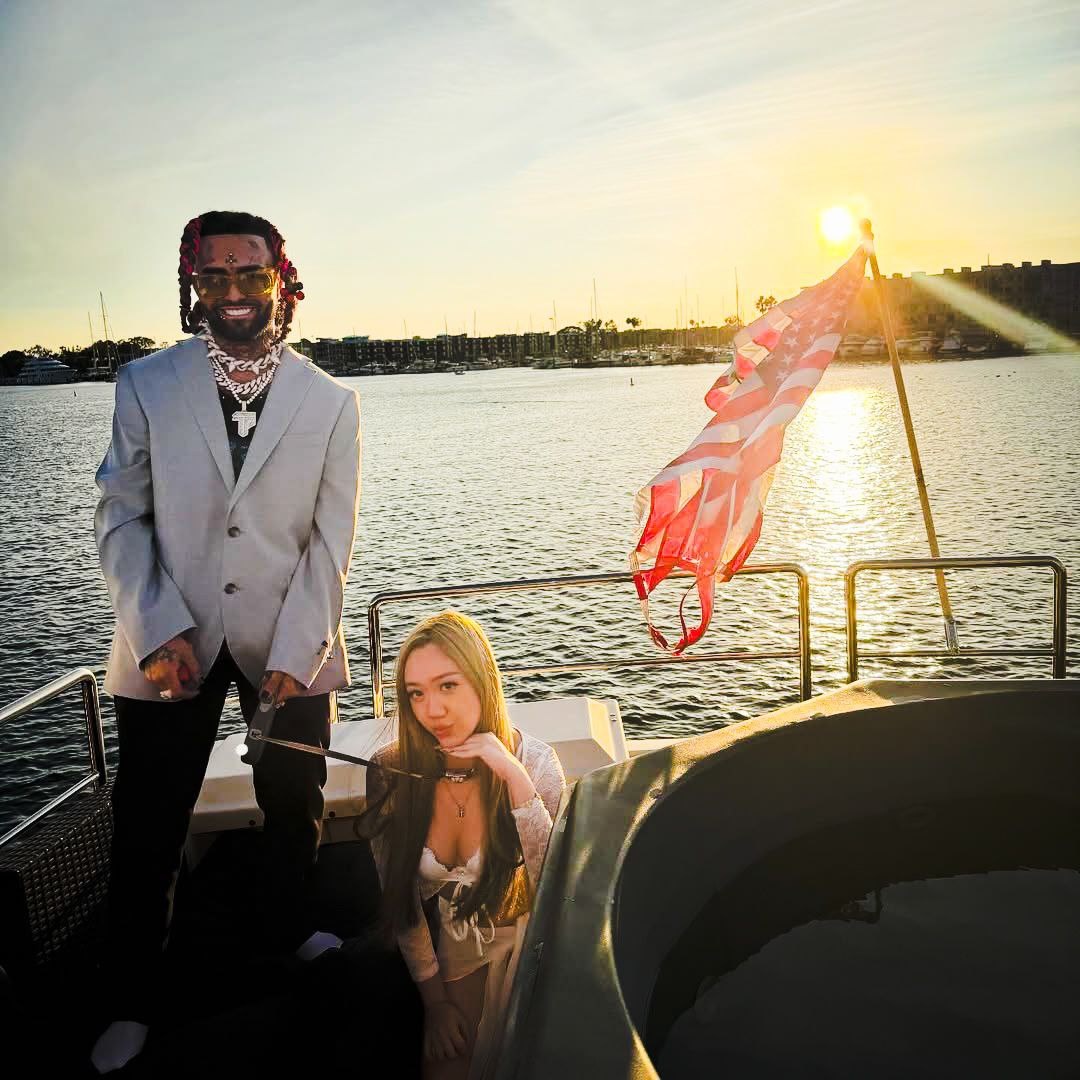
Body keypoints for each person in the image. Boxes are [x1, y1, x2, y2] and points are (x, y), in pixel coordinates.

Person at [90, 210, 362, 1073]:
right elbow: (120, 516)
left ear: (282, 280)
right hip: (167, 636)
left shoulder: (333, 402)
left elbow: (332, 541)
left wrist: (299, 647)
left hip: (292, 633)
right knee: (147, 823)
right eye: (216, 276)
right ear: (194, 284)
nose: (235, 291)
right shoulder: (145, 384)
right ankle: (133, 996)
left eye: (252, 274)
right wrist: (156, 627)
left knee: (295, 800)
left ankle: (293, 932)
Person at [362, 611, 566, 1080]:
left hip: (537, 941)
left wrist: (514, 778)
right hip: (452, 950)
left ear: (483, 681)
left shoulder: (535, 764)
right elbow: (401, 901)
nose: (431, 710)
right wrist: (434, 1002)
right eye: (416, 693)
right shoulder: (389, 770)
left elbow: (557, 891)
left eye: (448, 685)